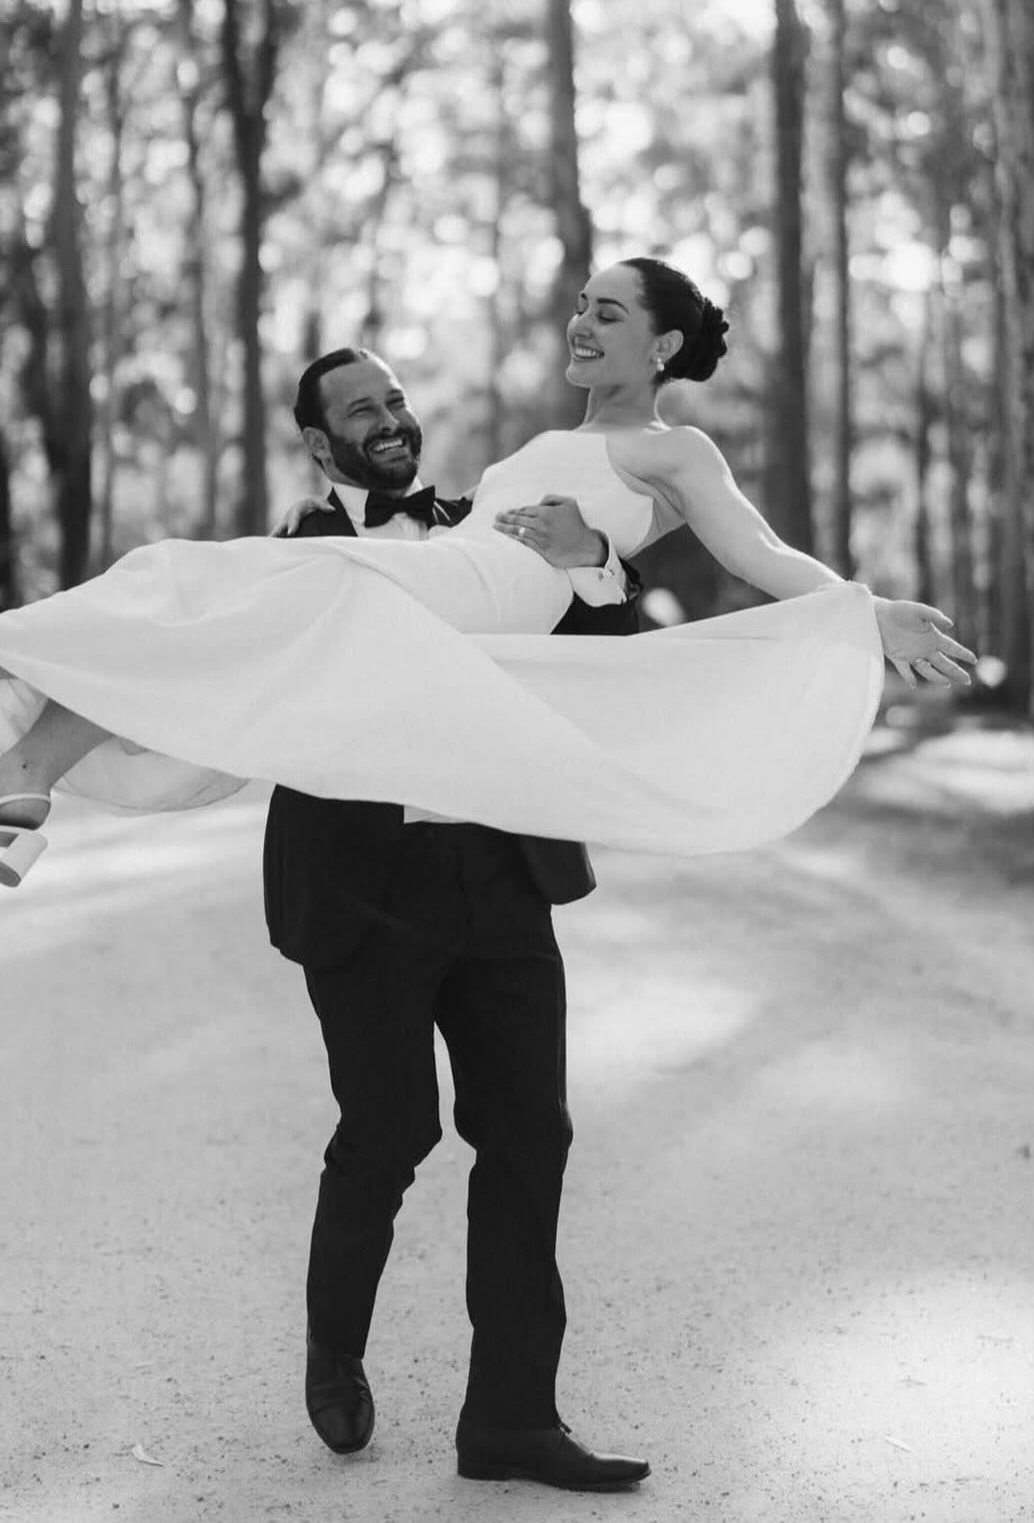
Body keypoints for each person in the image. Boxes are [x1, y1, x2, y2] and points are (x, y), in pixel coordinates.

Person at [0, 256, 973, 888]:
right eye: (581, 304)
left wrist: (868, 611)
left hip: (473, 595)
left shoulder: (675, 449)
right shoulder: (546, 438)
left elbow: (759, 552)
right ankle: (13, 786)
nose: (582, 322)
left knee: (219, 588)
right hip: (451, 578)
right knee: (179, 593)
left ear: (660, 348)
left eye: (608, 312)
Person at [264, 346, 650, 1490]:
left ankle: (513, 1420)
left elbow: (608, 668)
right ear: (317, 442)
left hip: (500, 864)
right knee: (387, 1136)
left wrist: (592, 566)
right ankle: (335, 1348)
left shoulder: (488, 524)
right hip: (364, 888)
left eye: (394, 400)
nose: (387, 420)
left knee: (533, 1132)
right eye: (358, 411)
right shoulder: (288, 559)